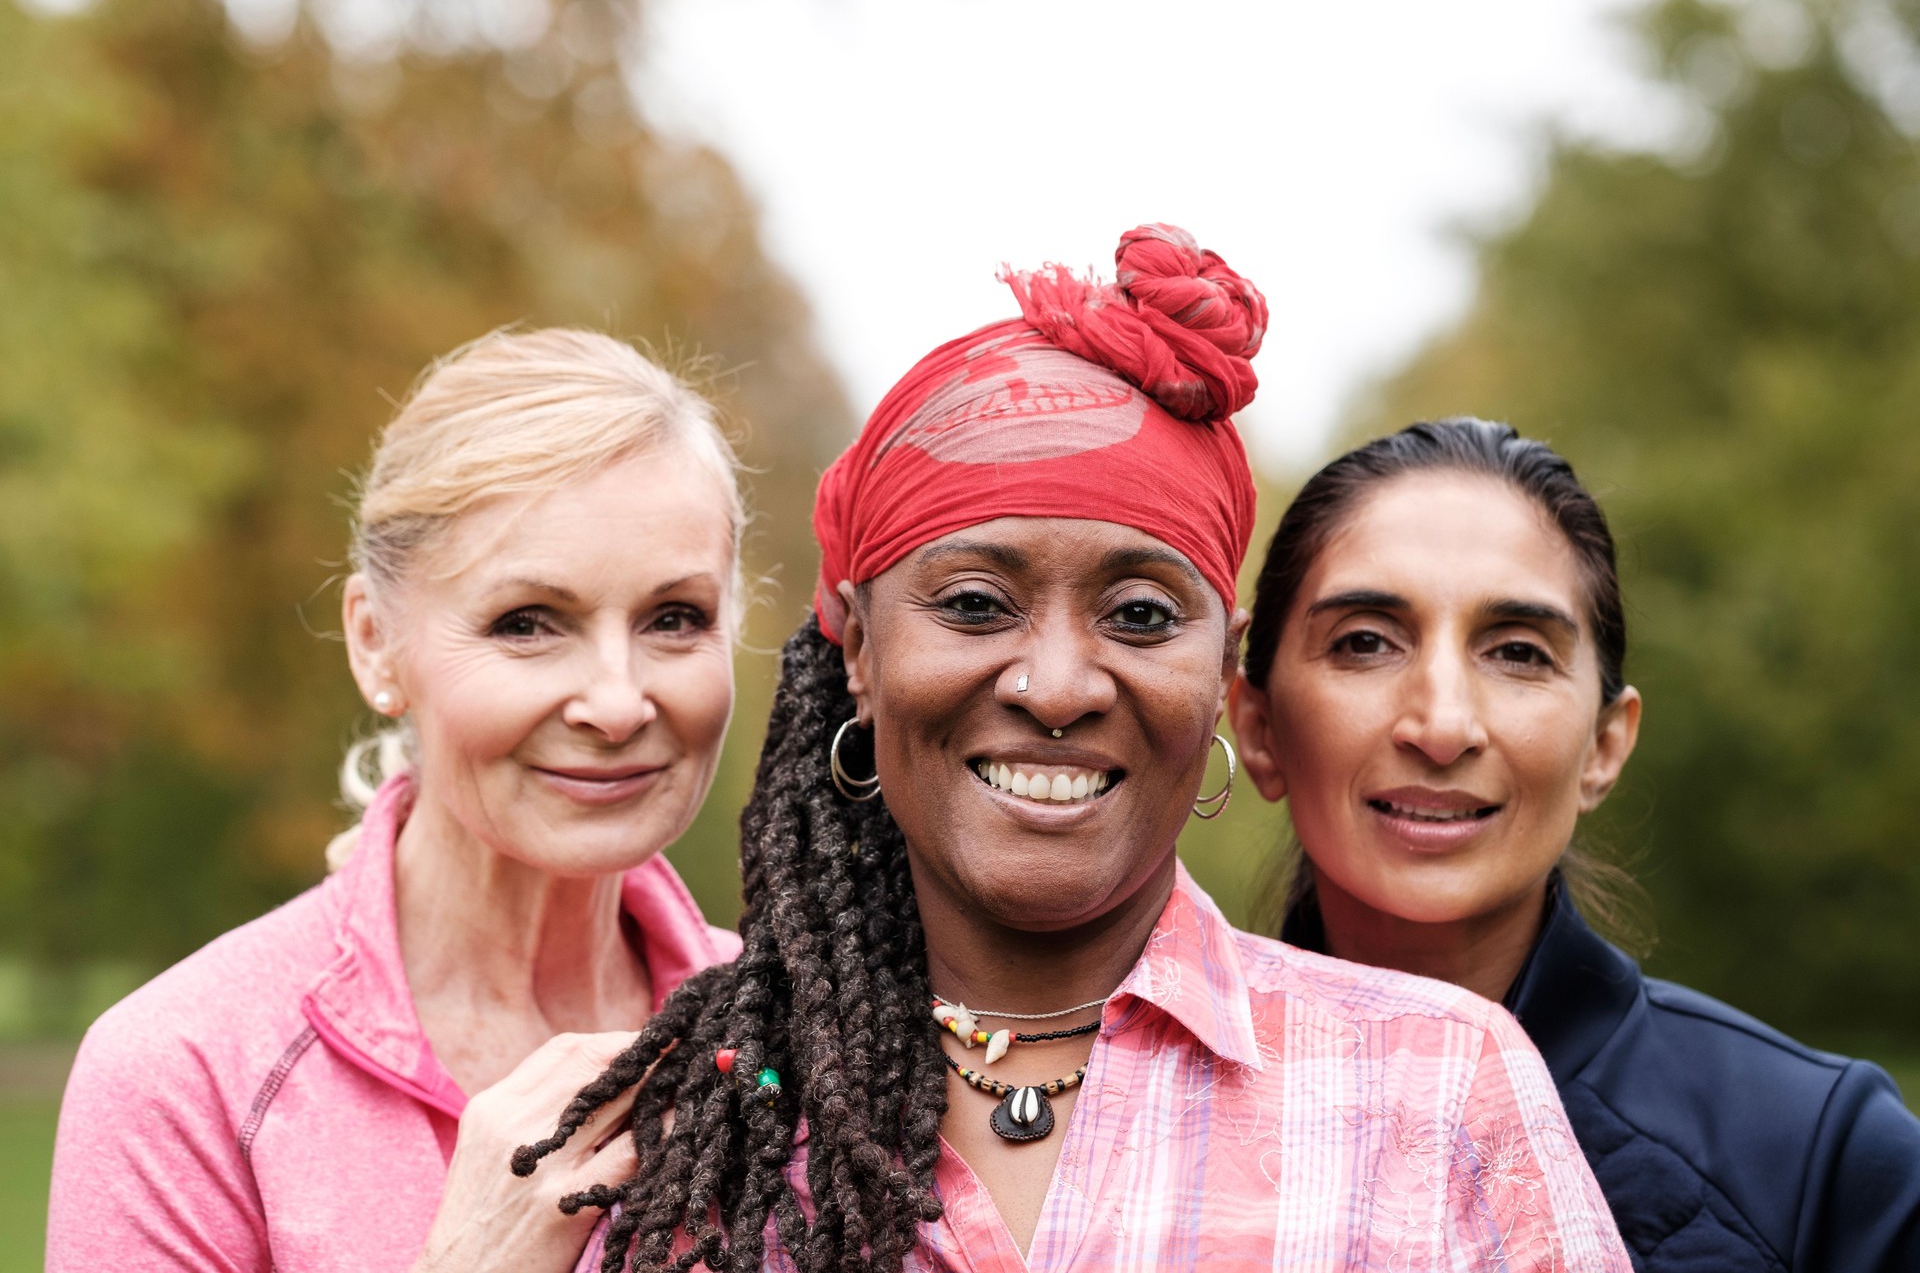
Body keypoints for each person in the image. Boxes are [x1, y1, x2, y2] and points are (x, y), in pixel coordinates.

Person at [517, 228, 1630, 1273]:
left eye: (1141, 614)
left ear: (1222, 670)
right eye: (972, 603)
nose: (1055, 685)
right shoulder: (686, 1131)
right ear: (857, 644)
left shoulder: (1435, 1090)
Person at [46, 328, 746, 1273]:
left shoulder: (807, 1044)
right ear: (375, 642)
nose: (618, 702)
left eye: (675, 619)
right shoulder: (184, 1073)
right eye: (528, 624)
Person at [1228, 416, 1920, 1271]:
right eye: (1365, 642)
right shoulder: (1110, 1111)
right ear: (1256, 726)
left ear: (1605, 745)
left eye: (1517, 652)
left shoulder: (1825, 1156)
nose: (1442, 725)